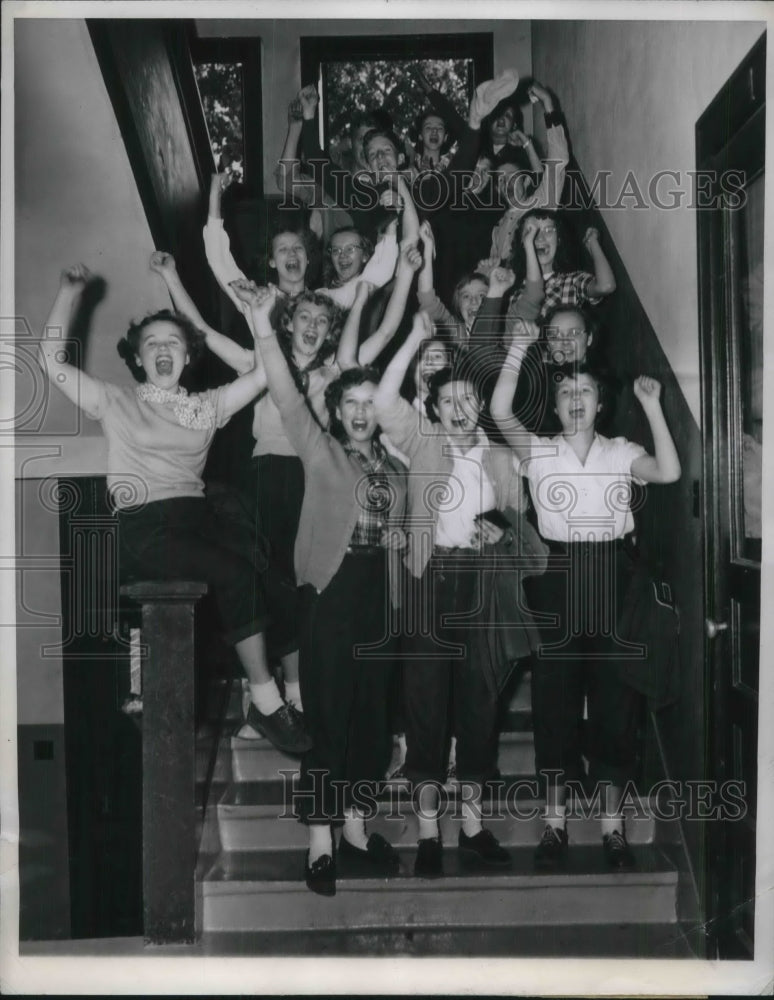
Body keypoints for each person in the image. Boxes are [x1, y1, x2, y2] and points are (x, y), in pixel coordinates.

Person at [38, 262, 311, 755]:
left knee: (269, 571)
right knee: (233, 572)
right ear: (139, 360)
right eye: (151, 344)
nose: (163, 349)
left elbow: (272, 374)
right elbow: (52, 362)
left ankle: (286, 693)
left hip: (197, 519)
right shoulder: (114, 400)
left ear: (187, 355)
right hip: (145, 528)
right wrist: (69, 292)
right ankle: (267, 702)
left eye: (172, 342)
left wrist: (261, 317)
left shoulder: (208, 405)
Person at [490, 324, 681, 871]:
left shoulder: (621, 451)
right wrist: (521, 348)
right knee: (554, 703)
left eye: (586, 393)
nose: (576, 401)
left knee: (616, 704)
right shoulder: (539, 451)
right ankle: (554, 825)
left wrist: (653, 406)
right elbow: (501, 411)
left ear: (600, 404)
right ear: (555, 405)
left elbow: (668, 471)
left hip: (612, 576)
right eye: (567, 394)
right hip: (556, 574)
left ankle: (612, 827)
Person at [239, 280, 408, 897]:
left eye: (371, 402)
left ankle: (357, 831)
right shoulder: (321, 452)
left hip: (379, 600)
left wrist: (401, 544)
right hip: (330, 596)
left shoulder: (396, 470)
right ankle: (319, 838)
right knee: (327, 715)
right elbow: (285, 398)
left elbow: (413, 535)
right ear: (337, 411)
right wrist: (263, 327)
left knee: (370, 717)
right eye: (352, 404)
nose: (362, 412)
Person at [375, 312, 547, 878]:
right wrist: (410, 337)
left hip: (482, 588)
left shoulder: (502, 459)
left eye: (468, 400)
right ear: (433, 404)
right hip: (429, 582)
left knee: (479, 709)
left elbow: (531, 546)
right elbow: (381, 405)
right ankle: (428, 833)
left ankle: (471, 827)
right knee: (425, 707)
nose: (459, 409)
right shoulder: (421, 444)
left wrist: (500, 522)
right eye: (448, 399)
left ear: (478, 406)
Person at [505, 209, 616, 328]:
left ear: (558, 240)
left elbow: (606, 286)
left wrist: (592, 242)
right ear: (523, 241)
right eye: (531, 231)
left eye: (548, 231)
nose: (540, 238)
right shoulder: (510, 285)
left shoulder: (571, 281)